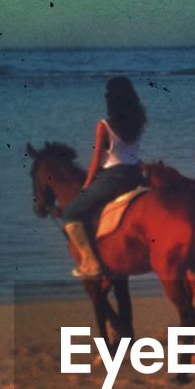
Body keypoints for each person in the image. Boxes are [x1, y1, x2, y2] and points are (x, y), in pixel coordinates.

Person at [61, 76, 146, 277]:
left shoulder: (104, 126)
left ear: (110, 99)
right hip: (136, 174)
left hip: (113, 176)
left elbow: (96, 162)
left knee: (70, 213)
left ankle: (90, 262)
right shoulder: (139, 120)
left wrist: (86, 186)